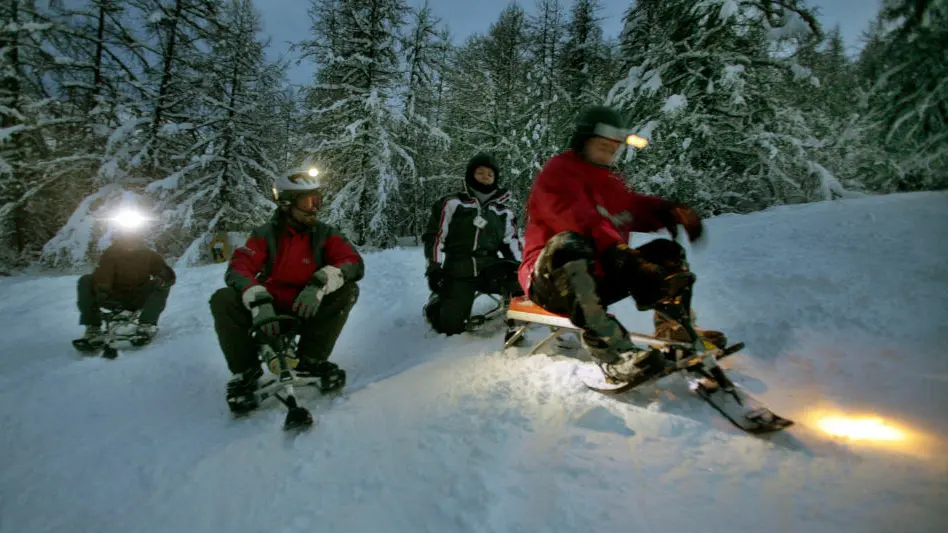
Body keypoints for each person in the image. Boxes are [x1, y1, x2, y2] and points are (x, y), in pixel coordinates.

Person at [519, 105, 727, 382]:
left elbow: (631, 208)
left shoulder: (610, 181)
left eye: (613, 148)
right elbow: (577, 218)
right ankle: (614, 354)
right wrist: (621, 255)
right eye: (602, 145)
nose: (609, 152)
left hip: (597, 278)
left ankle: (675, 330)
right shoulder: (559, 171)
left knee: (665, 252)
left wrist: (668, 210)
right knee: (569, 243)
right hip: (551, 279)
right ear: (583, 142)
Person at [209, 167, 364, 413]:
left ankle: (311, 360)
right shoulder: (264, 235)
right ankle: (245, 373)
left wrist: (319, 283)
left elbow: (352, 262)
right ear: (286, 204)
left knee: (347, 290)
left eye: (318, 200)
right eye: (307, 201)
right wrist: (258, 299)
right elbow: (239, 268)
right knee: (223, 298)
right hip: (267, 308)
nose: (314, 207)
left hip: (307, 307)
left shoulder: (326, 234)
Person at [422, 153, 525, 337]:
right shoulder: (452, 203)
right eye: (480, 172)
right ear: (470, 175)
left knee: (523, 284)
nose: (486, 177)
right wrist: (434, 268)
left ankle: (515, 321)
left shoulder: (503, 212)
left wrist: (522, 268)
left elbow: (512, 243)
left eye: (490, 174)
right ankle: (437, 304)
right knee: (451, 328)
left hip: (490, 268)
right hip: (459, 269)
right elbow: (435, 237)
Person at [73, 216, 176, 350]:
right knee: (86, 280)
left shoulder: (149, 255)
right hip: (112, 296)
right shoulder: (110, 254)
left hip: (138, 297)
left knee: (161, 283)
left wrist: (164, 276)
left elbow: (165, 272)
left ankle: (147, 325)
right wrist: (103, 291)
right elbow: (103, 274)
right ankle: (93, 329)